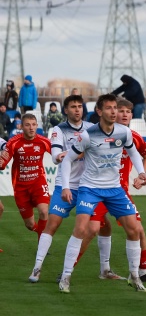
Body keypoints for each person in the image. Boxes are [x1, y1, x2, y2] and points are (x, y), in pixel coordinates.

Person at [57, 94, 146, 293]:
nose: (114, 111)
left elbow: (134, 152)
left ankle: (134, 276)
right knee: (82, 229)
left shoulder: (124, 132)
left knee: (133, 230)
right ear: (99, 111)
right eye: (109, 108)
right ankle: (65, 276)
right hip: (90, 188)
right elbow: (67, 160)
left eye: (115, 107)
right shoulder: (87, 135)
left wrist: (141, 172)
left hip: (115, 189)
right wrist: (65, 187)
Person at [28, 95, 114, 283]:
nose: (77, 110)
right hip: (65, 185)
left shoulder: (91, 129)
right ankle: (37, 268)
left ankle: (104, 269)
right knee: (52, 225)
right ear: (65, 110)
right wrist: (71, 154)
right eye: (73, 107)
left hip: (88, 187)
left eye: (79, 106)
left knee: (103, 225)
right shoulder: (59, 130)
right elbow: (56, 155)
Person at [77, 98, 146, 283]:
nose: (124, 114)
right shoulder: (97, 134)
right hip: (96, 189)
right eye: (120, 111)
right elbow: (80, 153)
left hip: (119, 192)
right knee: (92, 230)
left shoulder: (132, 136)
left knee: (137, 229)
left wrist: (141, 174)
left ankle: (142, 272)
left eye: (128, 112)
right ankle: (68, 270)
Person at [0, 114, 51, 242]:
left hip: (38, 182)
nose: (31, 128)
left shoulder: (43, 141)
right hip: (20, 187)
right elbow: (3, 163)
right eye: (27, 125)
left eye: (34, 125)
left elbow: (58, 154)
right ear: (21, 126)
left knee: (44, 211)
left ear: (37, 126)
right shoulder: (13, 142)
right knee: (29, 225)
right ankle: (41, 233)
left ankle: (42, 246)